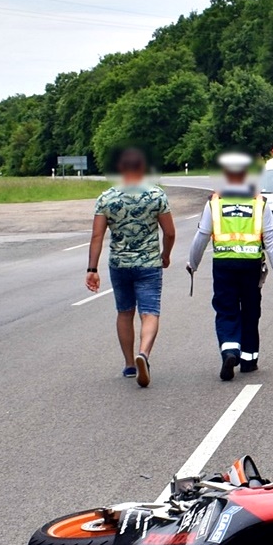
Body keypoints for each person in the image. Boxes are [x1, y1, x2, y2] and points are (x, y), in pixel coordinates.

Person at [186, 150, 273, 381]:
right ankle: (249, 361)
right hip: (251, 266)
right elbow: (270, 239)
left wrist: (193, 263)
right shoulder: (259, 203)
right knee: (250, 310)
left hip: (224, 266)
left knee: (226, 309)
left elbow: (202, 236)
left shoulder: (215, 203)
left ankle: (230, 351)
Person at [86, 146, 174, 387]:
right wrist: (165, 255)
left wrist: (92, 270)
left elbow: (97, 236)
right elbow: (169, 232)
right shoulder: (156, 196)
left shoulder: (106, 198)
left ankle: (129, 364)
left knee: (124, 312)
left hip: (119, 264)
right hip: (148, 264)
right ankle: (143, 354)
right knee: (150, 312)